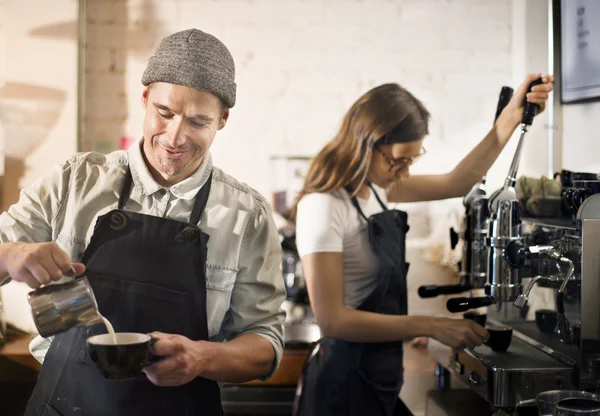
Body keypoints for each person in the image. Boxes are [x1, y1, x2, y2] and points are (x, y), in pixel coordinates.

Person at [0, 29, 286, 416]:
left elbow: (265, 343)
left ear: (223, 120)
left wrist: (202, 358)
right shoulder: (73, 181)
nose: (175, 137)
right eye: (164, 113)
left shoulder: (246, 215)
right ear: (145, 98)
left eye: (198, 121)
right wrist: (12, 253)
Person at [293, 73, 553, 416]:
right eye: (396, 160)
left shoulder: (379, 189)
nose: (403, 172)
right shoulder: (324, 205)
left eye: (411, 160)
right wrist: (432, 325)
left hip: (379, 376)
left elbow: (457, 182)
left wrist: (511, 117)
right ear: (363, 143)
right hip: (340, 385)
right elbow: (333, 321)